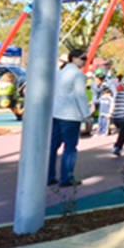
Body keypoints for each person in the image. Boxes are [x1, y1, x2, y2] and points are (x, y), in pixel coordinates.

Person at [49, 49, 90, 187]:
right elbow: (81, 96)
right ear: (73, 58)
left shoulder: (58, 73)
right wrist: (86, 114)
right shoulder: (78, 75)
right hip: (71, 115)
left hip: (56, 113)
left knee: (53, 146)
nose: (85, 61)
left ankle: (49, 175)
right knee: (70, 147)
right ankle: (66, 177)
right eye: (83, 58)